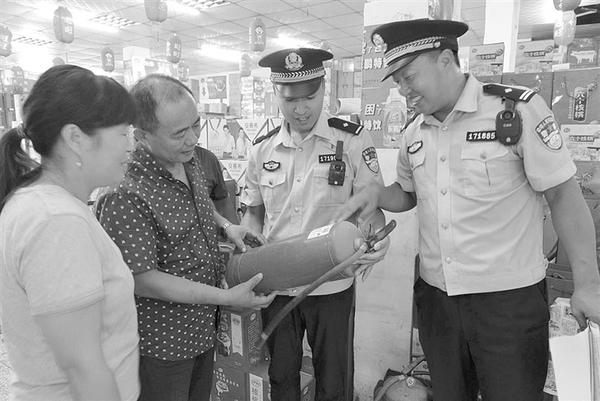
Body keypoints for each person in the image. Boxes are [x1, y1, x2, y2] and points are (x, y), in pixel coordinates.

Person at [336, 19, 600, 401]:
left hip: (507, 305)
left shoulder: (515, 111)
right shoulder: (414, 132)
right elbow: (408, 194)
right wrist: (377, 194)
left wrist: (588, 285)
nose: (403, 90)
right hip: (438, 303)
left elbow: (563, 196)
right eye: (397, 81)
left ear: (446, 59)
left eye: (409, 77)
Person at [95, 74, 275, 401]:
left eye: (196, 125)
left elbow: (197, 205)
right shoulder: (126, 194)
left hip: (202, 327)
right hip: (162, 344)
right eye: (179, 133)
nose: (193, 139)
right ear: (142, 135)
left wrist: (226, 226)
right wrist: (225, 297)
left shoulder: (186, 160)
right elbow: (143, 279)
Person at [241, 48, 390, 401]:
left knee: (334, 381)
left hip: (331, 284)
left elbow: (372, 210)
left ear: (325, 88)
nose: (301, 109)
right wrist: (249, 245)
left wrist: (377, 238)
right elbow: (253, 213)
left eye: (310, 96)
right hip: (277, 285)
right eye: (290, 99)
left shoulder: (351, 140)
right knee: (281, 377)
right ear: (276, 93)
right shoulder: (262, 149)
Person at [0, 65, 140, 400]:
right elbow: (83, 368)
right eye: (123, 133)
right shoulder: (56, 222)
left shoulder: (48, 206)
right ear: (76, 138)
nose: (131, 146)